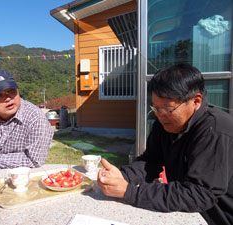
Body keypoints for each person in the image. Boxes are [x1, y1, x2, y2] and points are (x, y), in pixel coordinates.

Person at [97, 63, 233, 225]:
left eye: (168, 109)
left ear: (196, 101)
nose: (160, 115)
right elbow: (151, 160)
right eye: (156, 108)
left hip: (219, 218)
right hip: (190, 214)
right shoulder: (164, 124)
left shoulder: (215, 129)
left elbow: (200, 194)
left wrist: (130, 192)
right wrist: (123, 176)